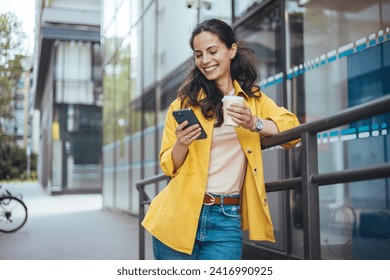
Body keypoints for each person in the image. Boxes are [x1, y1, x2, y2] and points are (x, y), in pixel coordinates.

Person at [142, 18, 300, 260]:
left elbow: (294, 132)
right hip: (177, 215)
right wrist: (181, 144)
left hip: (226, 218)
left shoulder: (253, 100)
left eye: (212, 51)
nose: (205, 61)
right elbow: (168, 165)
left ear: (232, 50)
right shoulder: (184, 103)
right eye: (198, 54)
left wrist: (255, 123)